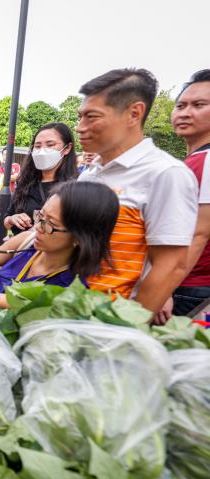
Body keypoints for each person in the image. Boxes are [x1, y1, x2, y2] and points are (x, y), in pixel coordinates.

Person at [77, 68, 197, 316]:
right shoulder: (90, 174)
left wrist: (128, 327)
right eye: (80, 117)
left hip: (112, 321)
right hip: (73, 308)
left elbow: (171, 264)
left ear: (134, 113)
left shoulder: (165, 174)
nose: (80, 127)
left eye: (91, 117)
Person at [0, 181, 118, 308]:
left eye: (50, 224)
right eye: (40, 216)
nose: (38, 227)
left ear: (79, 237)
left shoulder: (67, 291)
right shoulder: (27, 241)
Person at [171, 69, 210, 316]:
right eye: (180, 105)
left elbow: (198, 234)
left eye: (199, 105)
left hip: (189, 288)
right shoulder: (194, 161)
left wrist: (163, 288)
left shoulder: (207, 160)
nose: (185, 112)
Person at [4, 123, 78, 233]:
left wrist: (40, 226)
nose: (42, 151)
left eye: (50, 145)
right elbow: (7, 218)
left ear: (67, 148)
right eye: (38, 146)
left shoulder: (75, 187)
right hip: (20, 249)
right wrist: (12, 219)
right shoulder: (25, 182)